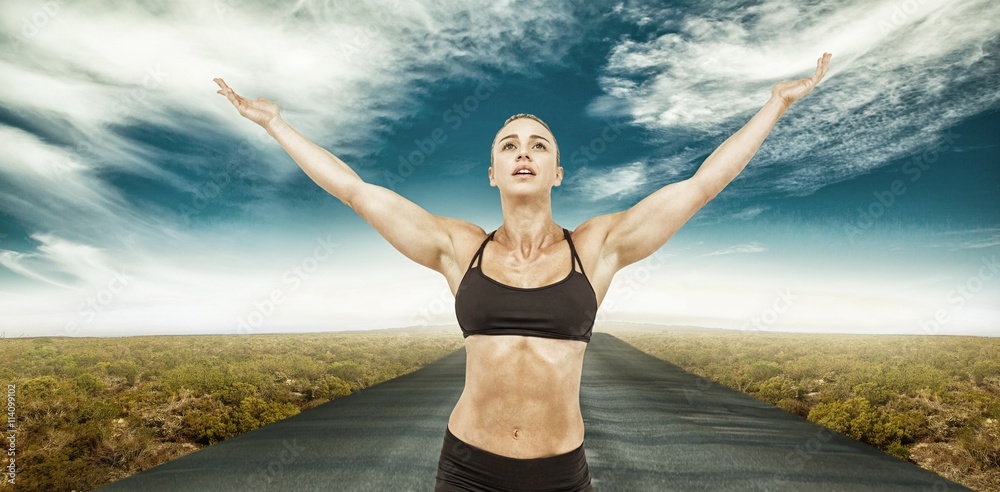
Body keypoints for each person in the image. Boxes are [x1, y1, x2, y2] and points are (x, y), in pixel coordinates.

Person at [214, 52, 832, 491]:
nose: (523, 153)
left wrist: (774, 106)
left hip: (560, 474)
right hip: (467, 471)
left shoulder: (599, 247)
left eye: (538, 145)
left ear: (558, 171)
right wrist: (274, 124)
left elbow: (699, 186)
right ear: (492, 173)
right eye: (509, 145)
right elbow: (355, 189)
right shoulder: (460, 249)